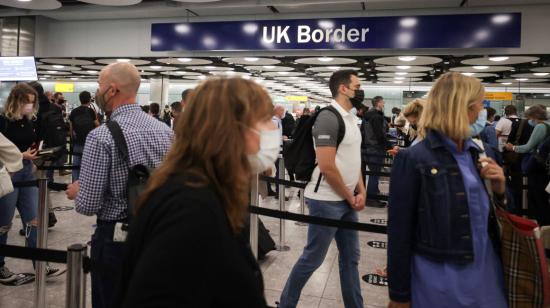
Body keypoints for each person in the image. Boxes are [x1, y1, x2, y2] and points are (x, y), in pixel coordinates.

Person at [113, 78, 273, 308]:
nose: (271, 131)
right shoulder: (191, 208)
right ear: (232, 130)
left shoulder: (204, 190)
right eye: (264, 121)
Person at [388, 72, 507, 308]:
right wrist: (399, 294)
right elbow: (399, 232)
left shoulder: (481, 154)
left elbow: (493, 215)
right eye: (480, 104)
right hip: (440, 278)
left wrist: (500, 189)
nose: (482, 111)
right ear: (463, 108)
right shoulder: (414, 159)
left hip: (487, 272)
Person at [65, 62, 173, 308]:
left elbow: (87, 205)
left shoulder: (101, 136)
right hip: (156, 231)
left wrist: (79, 189)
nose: (97, 91)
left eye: (100, 86)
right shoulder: (164, 131)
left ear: (112, 90)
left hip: (116, 238)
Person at [279, 70, 365, 308]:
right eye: (357, 86)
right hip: (326, 200)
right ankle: (286, 303)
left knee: (351, 259)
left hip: (347, 200)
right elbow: (327, 166)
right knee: (313, 258)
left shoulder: (351, 118)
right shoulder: (328, 117)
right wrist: (350, 196)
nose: (360, 90)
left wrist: (361, 190)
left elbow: (352, 159)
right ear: (343, 89)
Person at [0, 84, 59, 282]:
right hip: (9, 174)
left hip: (27, 173)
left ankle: (40, 263)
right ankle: (0, 265)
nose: (29, 106)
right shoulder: (3, 120)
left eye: (32, 102)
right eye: (26, 102)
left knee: (34, 220)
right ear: (16, 100)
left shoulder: (29, 120)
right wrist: (20, 155)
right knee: (4, 223)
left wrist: (35, 155)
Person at [505, 104, 550, 225]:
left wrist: (512, 147)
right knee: (544, 197)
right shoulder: (548, 125)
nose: (529, 120)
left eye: (530, 117)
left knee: (537, 198)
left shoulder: (540, 127)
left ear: (534, 116)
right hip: (545, 167)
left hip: (537, 167)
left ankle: (542, 226)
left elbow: (528, 147)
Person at [362, 95, 391, 207]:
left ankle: (374, 194)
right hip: (376, 148)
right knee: (375, 174)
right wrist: (389, 147)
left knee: (373, 173)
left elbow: (363, 132)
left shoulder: (367, 115)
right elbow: (380, 135)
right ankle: (371, 199)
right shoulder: (377, 117)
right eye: (383, 102)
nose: (384, 104)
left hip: (368, 148)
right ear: (378, 103)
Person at [68, 91, 99, 181]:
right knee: (89, 166)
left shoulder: (74, 111)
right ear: (89, 100)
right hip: (89, 143)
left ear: (80, 99)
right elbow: (97, 125)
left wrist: (73, 139)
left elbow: (71, 128)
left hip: (77, 142)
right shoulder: (91, 111)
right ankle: (87, 184)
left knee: (76, 166)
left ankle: (75, 184)